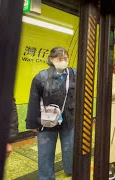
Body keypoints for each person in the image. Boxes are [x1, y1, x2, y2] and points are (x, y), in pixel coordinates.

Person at [26, 47, 76, 180]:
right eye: (60, 58)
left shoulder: (74, 74)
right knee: (45, 151)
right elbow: (34, 100)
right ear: (52, 59)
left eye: (66, 58)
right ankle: (46, 177)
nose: (64, 61)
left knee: (70, 148)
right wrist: (32, 123)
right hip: (47, 119)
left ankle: (71, 170)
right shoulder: (40, 77)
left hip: (69, 119)